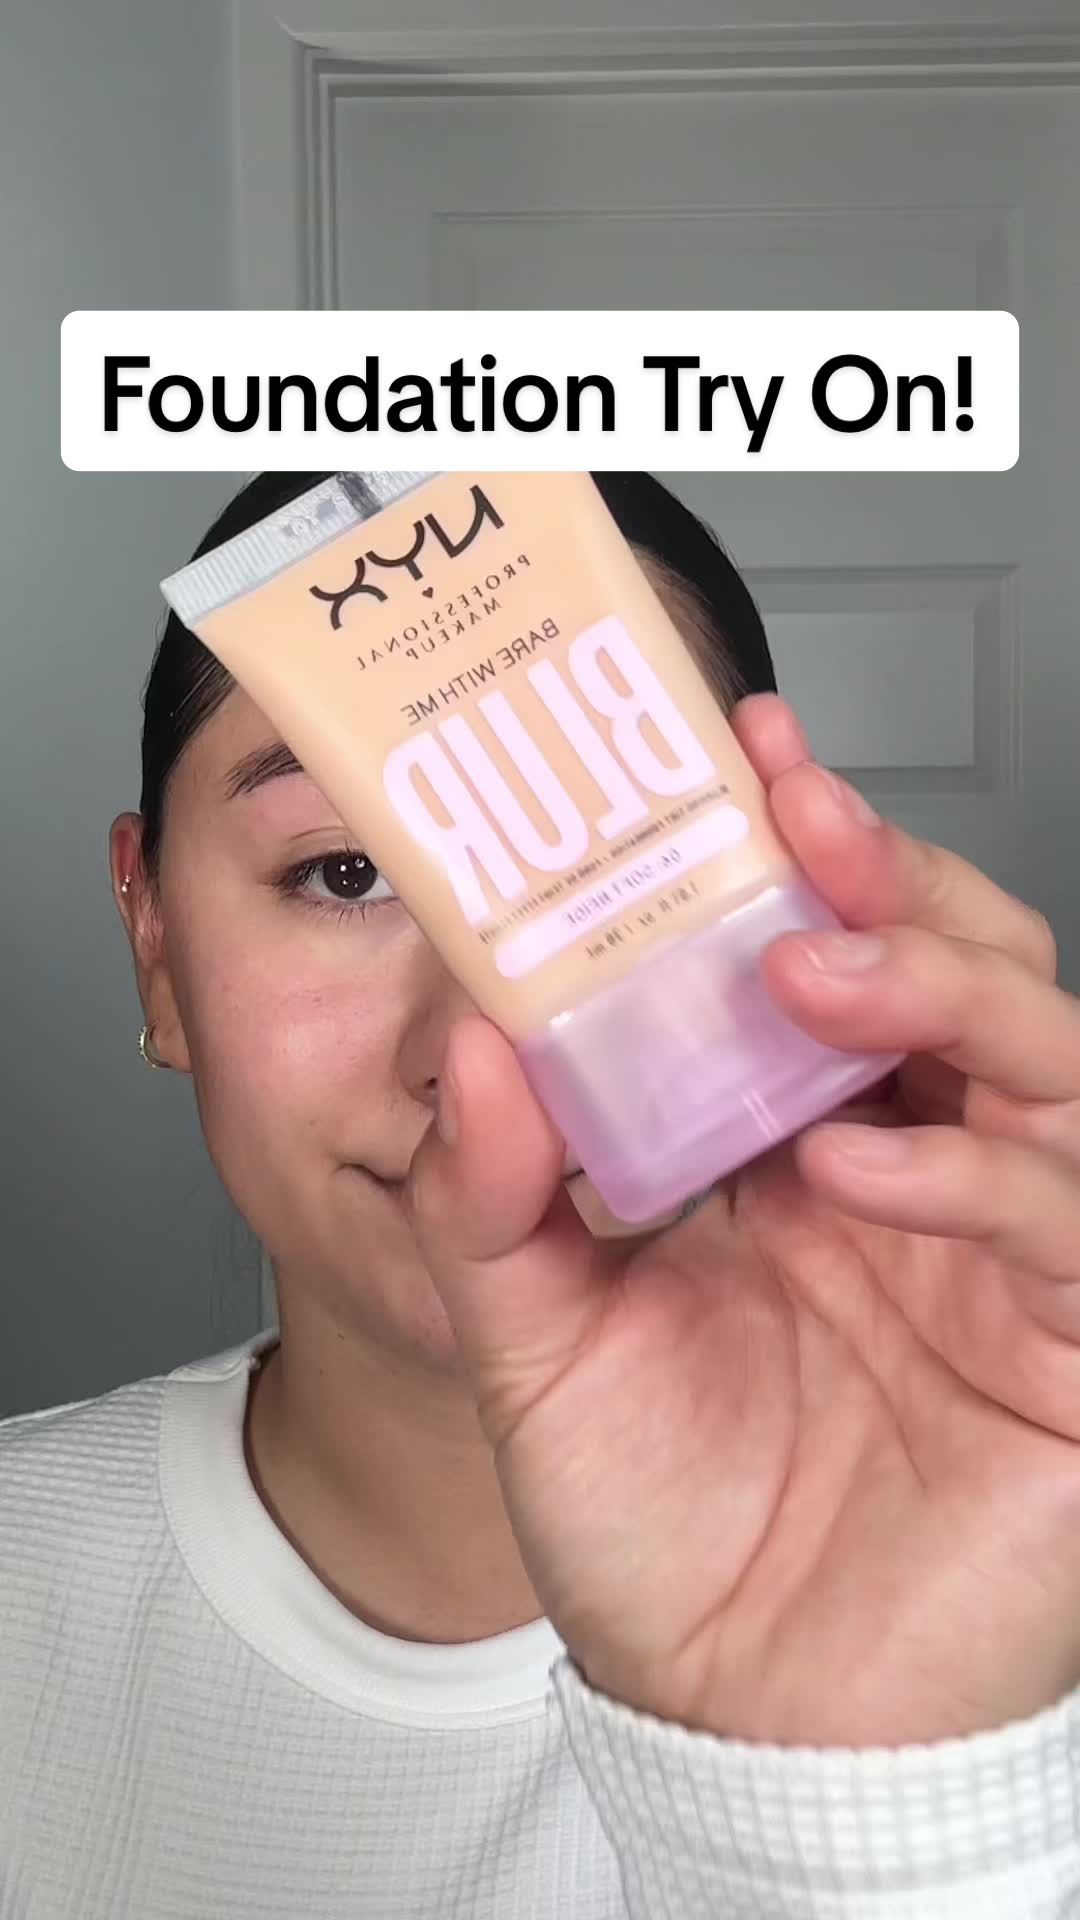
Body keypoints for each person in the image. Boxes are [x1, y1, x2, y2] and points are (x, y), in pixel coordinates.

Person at [2, 470, 1079, 1920]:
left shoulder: (1023, 1587)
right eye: (343, 872)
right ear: (156, 946)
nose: (483, 1057)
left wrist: (867, 1822)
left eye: (599, 866)